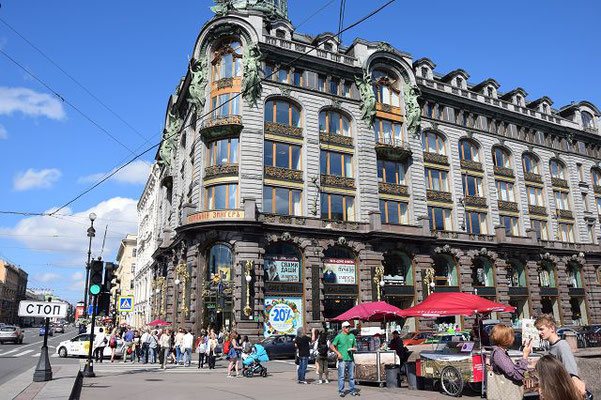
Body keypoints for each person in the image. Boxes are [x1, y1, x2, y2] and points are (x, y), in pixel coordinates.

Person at [535, 314, 587, 397]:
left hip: (566, 392)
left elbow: (571, 371)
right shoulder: (552, 346)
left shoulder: (562, 346)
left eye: (541, 329)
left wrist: (576, 382)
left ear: (552, 328)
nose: (539, 332)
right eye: (538, 330)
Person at [489, 323, 531, 394]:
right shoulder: (499, 353)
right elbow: (517, 375)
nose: (513, 338)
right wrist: (525, 356)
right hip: (506, 392)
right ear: (505, 338)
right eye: (511, 336)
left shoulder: (501, 351)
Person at [331, 321, 359, 397]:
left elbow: (355, 346)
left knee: (351, 376)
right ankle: (341, 390)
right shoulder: (339, 337)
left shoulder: (352, 336)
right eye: (346, 327)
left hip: (350, 359)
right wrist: (338, 353)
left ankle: (352, 390)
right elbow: (332, 346)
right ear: (343, 328)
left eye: (349, 327)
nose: (348, 328)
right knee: (341, 376)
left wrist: (354, 349)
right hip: (342, 359)